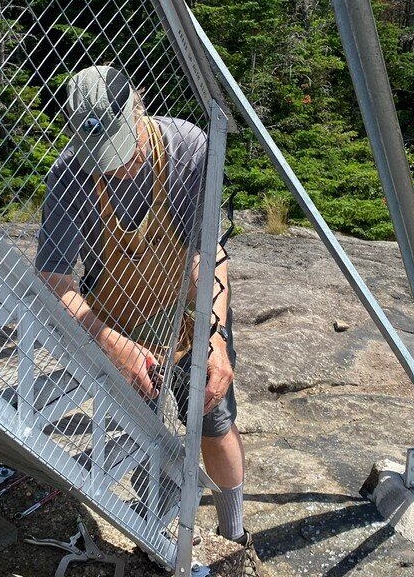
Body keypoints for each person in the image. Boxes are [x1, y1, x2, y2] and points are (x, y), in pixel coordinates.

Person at [35, 65, 258, 569]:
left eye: (120, 149)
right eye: (99, 157)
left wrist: (215, 338)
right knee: (138, 432)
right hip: (118, 322)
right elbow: (56, 279)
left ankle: (234, 532)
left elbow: (208, 252)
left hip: (186, 309)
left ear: (137, 112)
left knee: (213, 418)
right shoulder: (68, 176)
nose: (112, 168)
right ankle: (155, 533)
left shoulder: (186, 148)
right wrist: (110, 343)